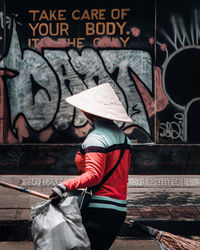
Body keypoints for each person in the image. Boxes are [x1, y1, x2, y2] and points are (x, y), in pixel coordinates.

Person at [50, 83, 132, 250]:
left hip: (98, 212)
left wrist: (62, 187)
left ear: (89, 113)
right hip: (118, 211)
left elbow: (94, 176)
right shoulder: (125, 139)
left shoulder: (96, 138)